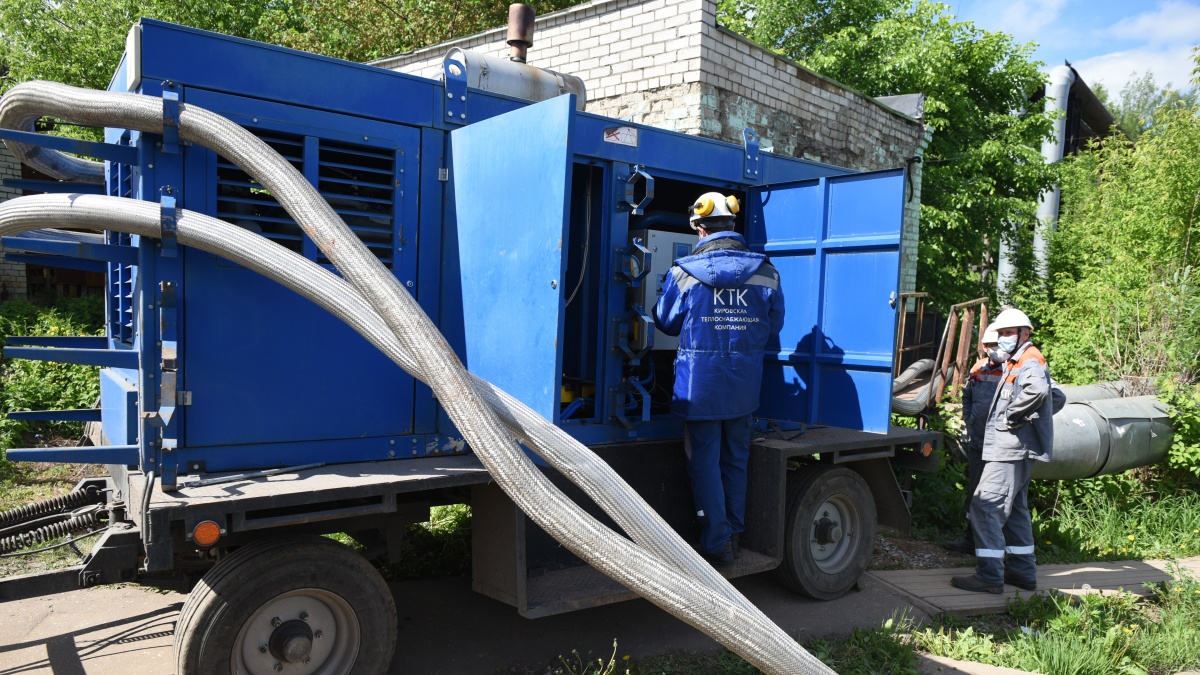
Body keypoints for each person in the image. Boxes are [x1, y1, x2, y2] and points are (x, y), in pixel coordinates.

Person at [653, 191, 785, 567]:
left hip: (701, 387)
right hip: (744, 383)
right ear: (733, 225)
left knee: (704, 461)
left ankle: (717, 542)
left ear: (698, 227)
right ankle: (735, 534)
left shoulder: (683, 272)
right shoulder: (767, 272)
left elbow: (666, 322)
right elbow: (773, 325)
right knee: (736, 457)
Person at [951, 308, 1055, 593]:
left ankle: (989, 575)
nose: (1003, 339)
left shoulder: (1029, 360)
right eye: (1001, 334)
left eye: (1009, 333)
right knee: (1016, 510)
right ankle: (1022, 572)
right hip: (1012, 449)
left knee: (985, 506)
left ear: (1025, 333)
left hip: (1009, 448)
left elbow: (1042, 393)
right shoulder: (1017, 360)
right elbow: (1053, 395)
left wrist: (1014, 416)